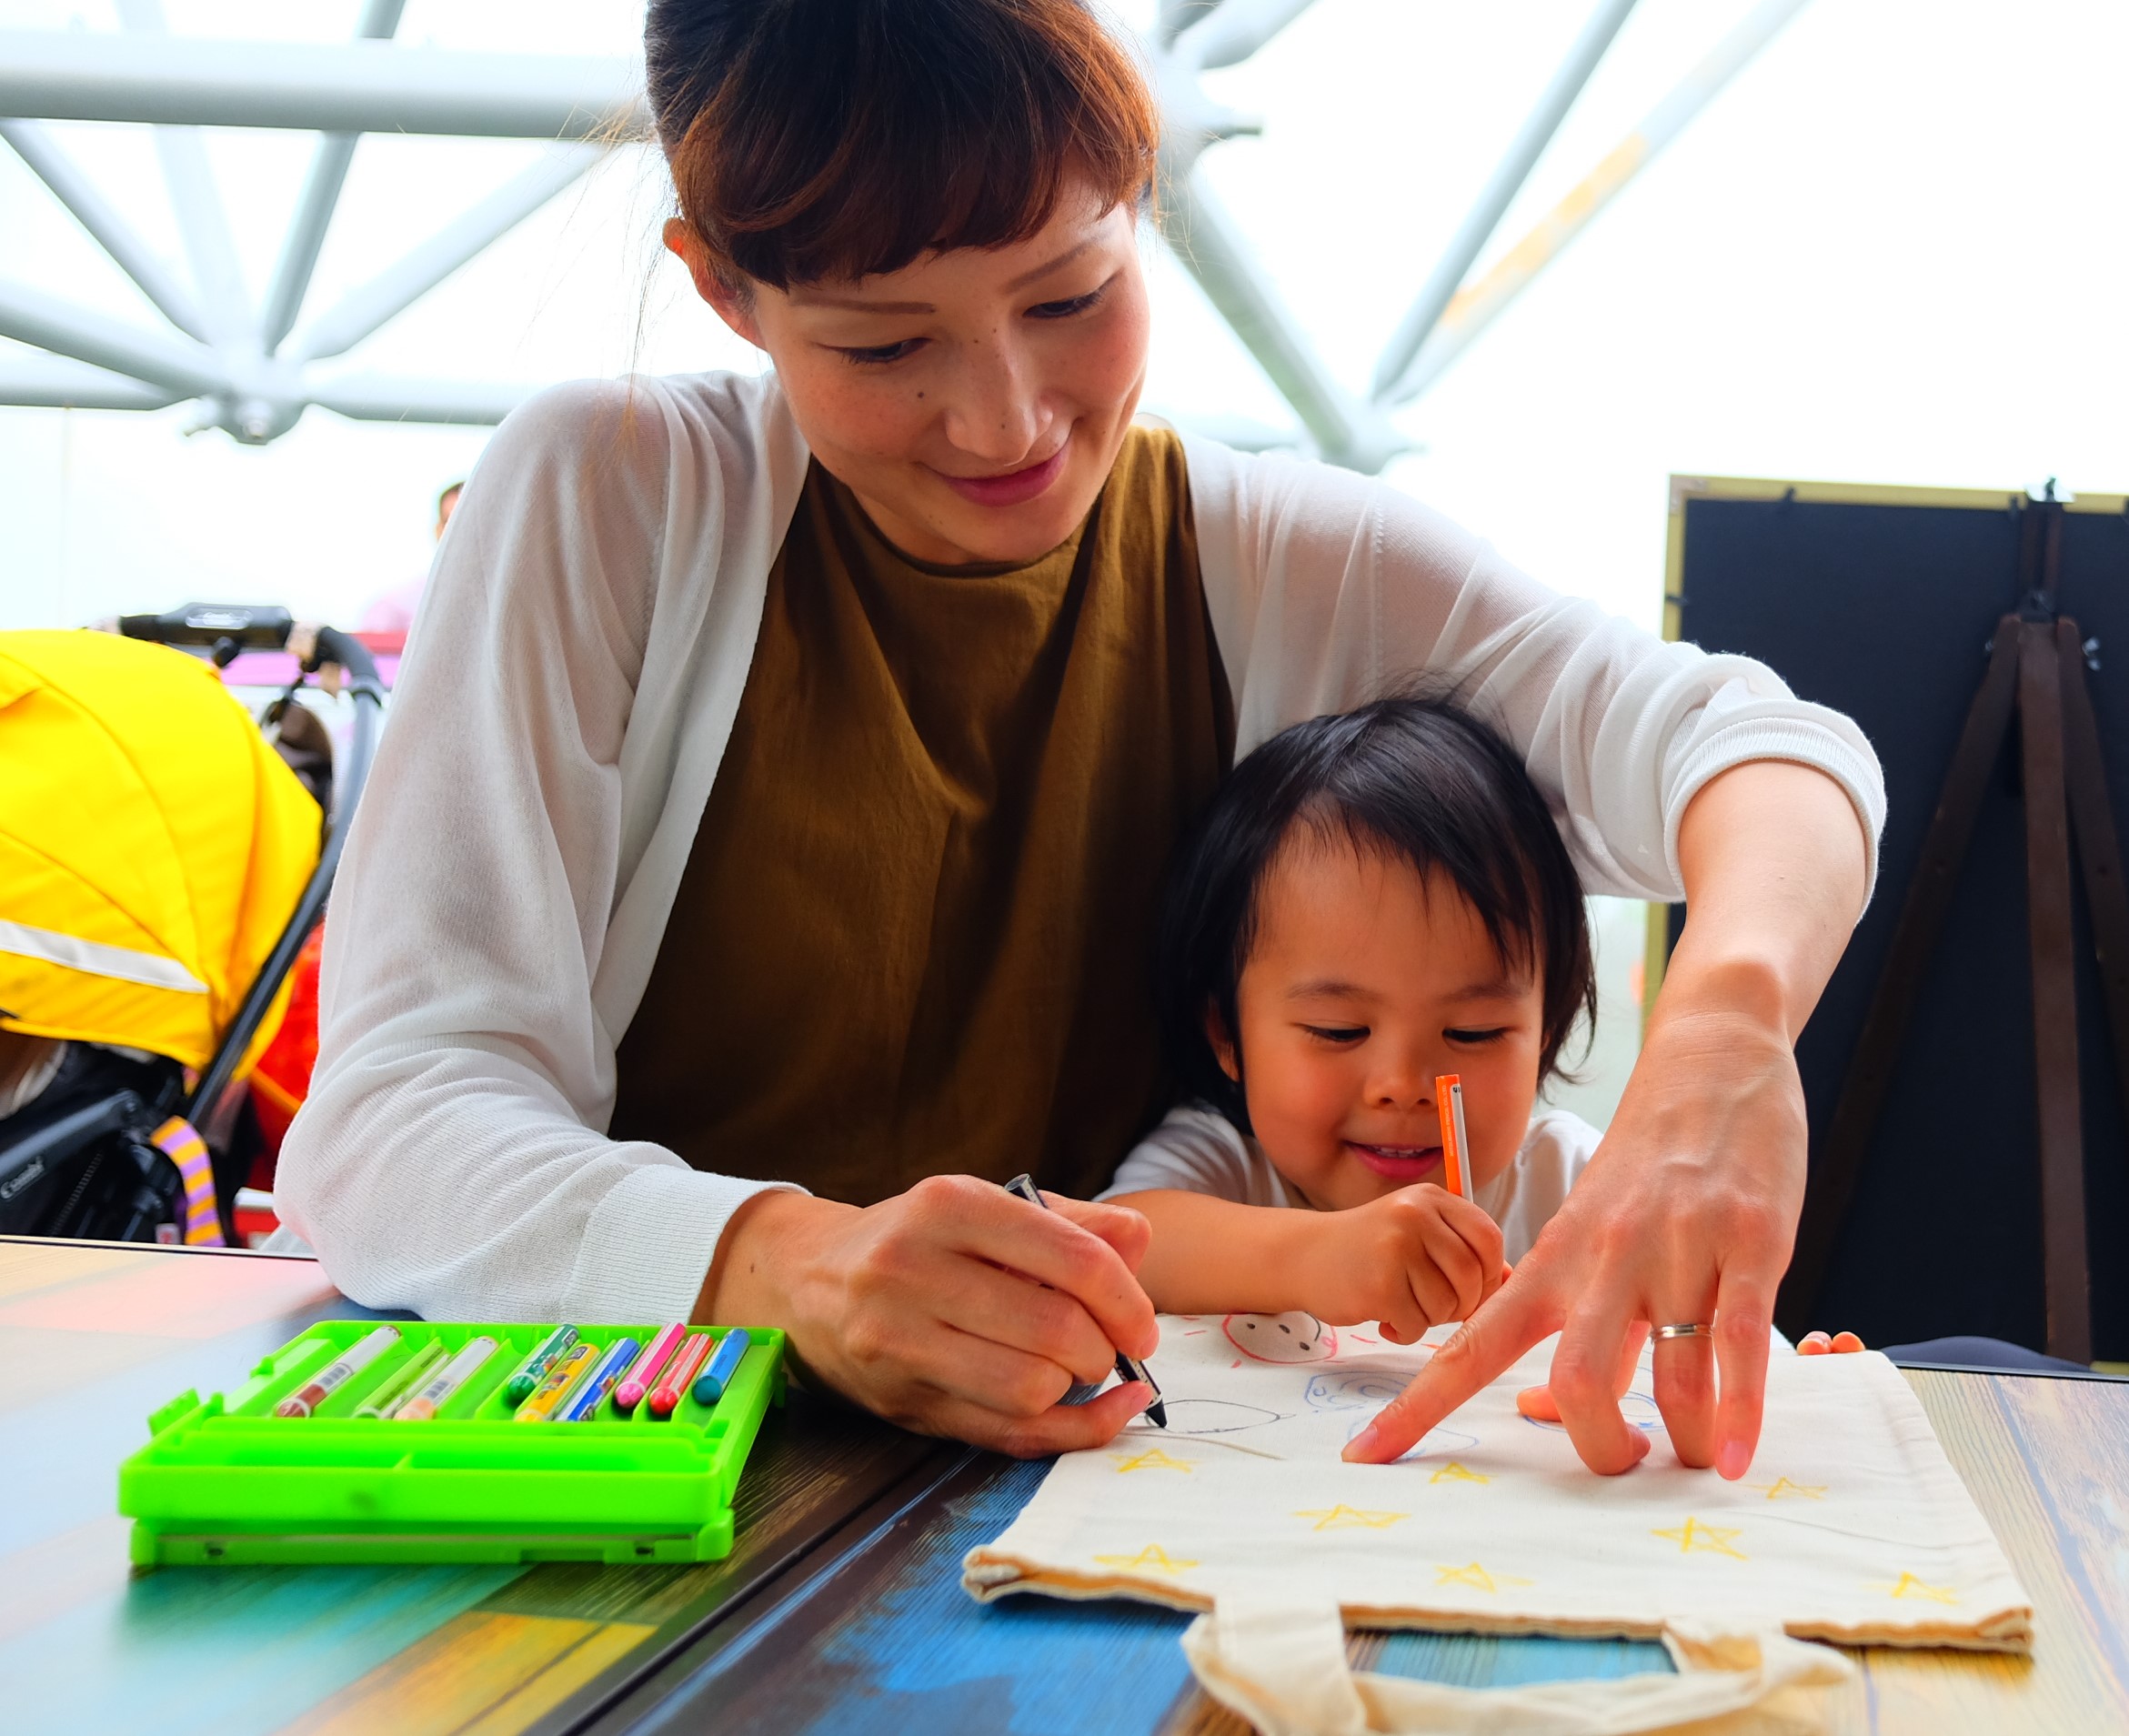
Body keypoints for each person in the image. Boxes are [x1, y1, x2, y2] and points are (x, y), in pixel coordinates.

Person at [276, 0, 1883, 1475]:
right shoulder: (614, 494)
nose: (1009, 419)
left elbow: (1754, 745)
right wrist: (786, 1261)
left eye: (1071, 295)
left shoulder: (1276, 564)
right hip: (630, 1473)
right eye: (883, 343)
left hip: (1112, 1496)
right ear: (725, 290)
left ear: (1146, 202)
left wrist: (1728, 1025)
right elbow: (394, 1121)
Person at [1102, 697, 1594, 1330]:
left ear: (1545, 1029)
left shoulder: (1568, 1181)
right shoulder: (1224, 1165)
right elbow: (1114, 1245)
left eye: (1473, 1032)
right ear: (1226, 1031)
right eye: (1339, 1030)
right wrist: (1314, 1257)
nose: (1401, 1085)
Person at [357, 480, 463, 644]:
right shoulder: (392, 609)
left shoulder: (510, 607)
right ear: (438, 531)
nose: (464, 536)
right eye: (453, 523)